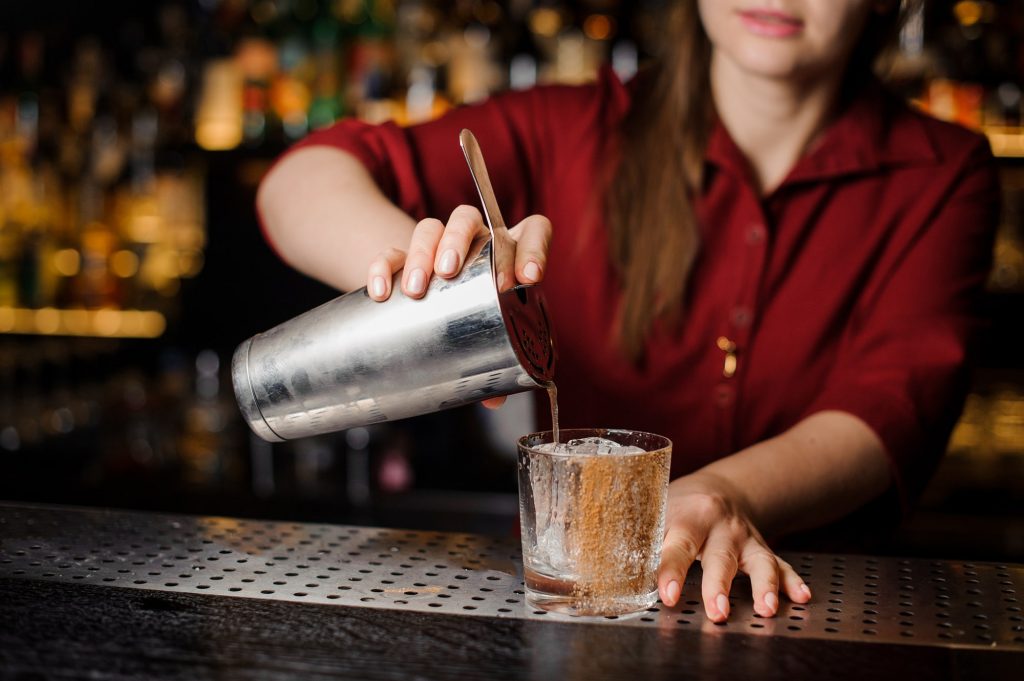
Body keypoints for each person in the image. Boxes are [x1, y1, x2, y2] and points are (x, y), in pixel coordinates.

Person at [256, 0, 999, 623]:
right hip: (590, 614)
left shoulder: (943, 173)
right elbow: (300, 179)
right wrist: (441, 278)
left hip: (817, 615)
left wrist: (721, 493)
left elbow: (888, 409)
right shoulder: (572, 124)